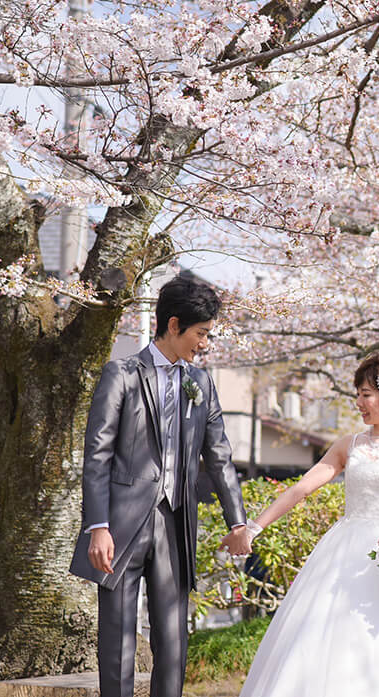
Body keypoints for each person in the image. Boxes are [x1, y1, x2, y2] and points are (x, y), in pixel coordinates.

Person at [237, 352, 379, 697]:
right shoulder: (350, 445)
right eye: (357, 394)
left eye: (366, 395)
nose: (358, 402)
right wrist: (254, 527)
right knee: (329, 637)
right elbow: (302, 488)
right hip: (344, 553)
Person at [69, 275, 251, 697]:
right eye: (200, 333)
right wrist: (98, 525)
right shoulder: (123, 374)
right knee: (117, 636)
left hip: (175, 523)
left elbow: (219, 455)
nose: (204, 344)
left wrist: (237, 522)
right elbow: (97, 452)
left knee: (173, 638)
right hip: (120, 525)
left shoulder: (200, 384)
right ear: (174, 325)